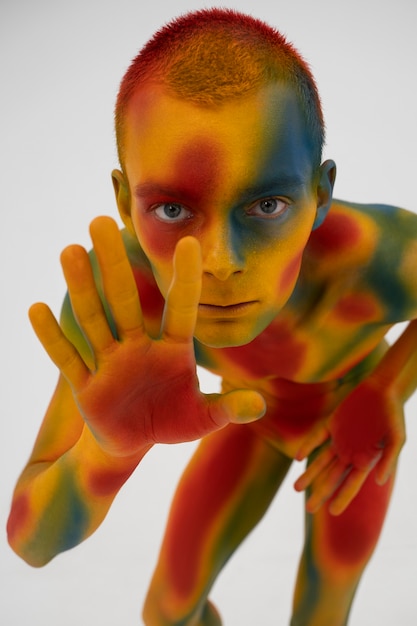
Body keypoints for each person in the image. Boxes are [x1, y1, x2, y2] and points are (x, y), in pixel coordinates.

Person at [7, 8, 417, 625]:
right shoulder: (125, 302)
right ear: (124, 202)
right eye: (172, 210)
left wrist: (388, 384)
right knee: (168, 616)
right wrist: (106, 452)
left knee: (323, 615)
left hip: (349, 430)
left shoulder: (370, 255)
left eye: (268, 204)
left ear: (321, 197)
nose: (221, 263)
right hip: (248, 415)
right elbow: (31, 543)